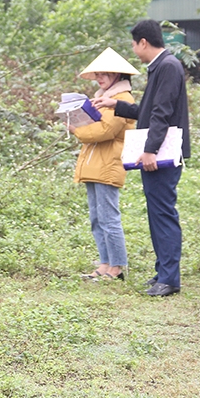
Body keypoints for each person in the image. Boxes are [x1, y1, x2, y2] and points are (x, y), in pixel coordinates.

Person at [93, 19, 190, 297]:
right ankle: (163, 272)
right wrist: (117, 104)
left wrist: (150, 149)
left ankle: (170, 279)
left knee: (163, 214)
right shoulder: (159, 67)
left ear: (143, 42)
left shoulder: (168, 67)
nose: (134, 50)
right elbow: (148, 111)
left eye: (134, 45)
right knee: (156, 214)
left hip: (161, 154)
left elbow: (161, 112)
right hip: (157, 151)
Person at [71, 48, 139, 282]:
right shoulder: (103, 99)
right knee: (96, 218)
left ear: (117, 75)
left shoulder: (123, 100)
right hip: (94, 163)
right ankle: (105, 263)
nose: (99, 78)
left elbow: (106, 130)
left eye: (104, 74)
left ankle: (117, 267)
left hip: (108, 163)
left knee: (109, 217)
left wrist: (77, 130)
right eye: (97, 74)